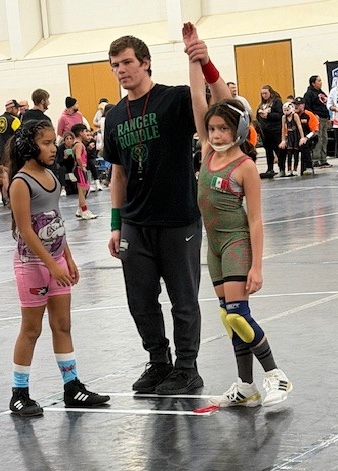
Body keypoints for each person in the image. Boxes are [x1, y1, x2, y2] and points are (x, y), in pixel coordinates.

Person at [104, 32, 229, 395]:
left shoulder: (174, 99)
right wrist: (115, 224)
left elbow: (225, 105)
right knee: (140, 300)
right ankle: (159, 362)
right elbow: (118, 174)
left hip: (178, 219)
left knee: (183, 300)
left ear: (145, 62)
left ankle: (187, 368)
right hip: (135, 223)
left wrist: (204, 62)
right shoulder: (114, 117)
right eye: (115, 65)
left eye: (127, 62)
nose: (121, 70)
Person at [183, 22, 292, 408]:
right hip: (213, 247)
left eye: (222, 129)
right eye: (211, 129)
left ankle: (275, 375)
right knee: (228, 317)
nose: (214, 134)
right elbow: (198, 98)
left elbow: (257, 220)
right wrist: (193, 56)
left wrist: (257, 267)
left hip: (236, 243)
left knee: (239, 316)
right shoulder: (207, 151)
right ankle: (245, 385)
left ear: (239, 130)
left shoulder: (245, 166)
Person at [6, 120, 110, 416]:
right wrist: (52, 264)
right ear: (30, 147)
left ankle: (72, 386)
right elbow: (26, 230)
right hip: (32, 265)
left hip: (56, 262)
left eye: (54, 142)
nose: (54, 148)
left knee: (62, 325)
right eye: (47, 143)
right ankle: (19, 393)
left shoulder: (51, 176)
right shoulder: (20, 182)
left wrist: (68, 257)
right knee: (31, 329)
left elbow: (56, 221)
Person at [255, 85, 284, 178]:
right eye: (262, 94)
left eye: (266, 93)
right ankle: (270, 168)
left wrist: (268, 115)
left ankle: (282, 168)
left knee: (278, 150)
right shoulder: (262, 104)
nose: (264, 95)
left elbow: (280, 115)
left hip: (275, 129)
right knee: (268, 150)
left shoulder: (276, 101)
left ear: (270, 93)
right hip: (265, 131)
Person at [303, 75, 331, 167]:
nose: (321, 82)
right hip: (317, 118)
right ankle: (315, 159)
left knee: (324, 139)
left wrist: (328, 116)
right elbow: (307, 107)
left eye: (321, 80)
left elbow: (325, 105)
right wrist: (314, 115)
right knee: (318, 139)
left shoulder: (321, 93)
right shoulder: (309, 94)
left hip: (324, 118)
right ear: (313, 83)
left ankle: (323, 159)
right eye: (318, 81)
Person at [71, 123, 97, 220]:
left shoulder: (78, 144)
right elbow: (78, 157)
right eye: (85, 131)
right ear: (80, 133)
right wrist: (82, 167)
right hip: (80, 169)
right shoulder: (79, 144)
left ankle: (80, 209)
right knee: (82, 191)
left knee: (85, 189)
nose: (87, 134)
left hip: (79, 168)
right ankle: (85, 211)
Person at [278, 101, 307, 177]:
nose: (286, 112)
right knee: (289, 153)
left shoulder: (295, 116)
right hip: (289, 136)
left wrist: (302, 137)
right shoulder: (284, 117)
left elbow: (299, 127)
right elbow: (283, 129)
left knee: (296, 153)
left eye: (287, 110)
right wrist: (283, 140)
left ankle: (295, 169)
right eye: (284, 110)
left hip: (296, 136)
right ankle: (289, 169)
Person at [293, 96, 319, 175]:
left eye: (299, 104)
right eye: (295, 104)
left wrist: (306, 138)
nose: (296, 106)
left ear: (303, 105)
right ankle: (284, 169)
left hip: (309, 137)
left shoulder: (309, 114)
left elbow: (315, 131)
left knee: (304, 144)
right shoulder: (291, 115)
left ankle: (308, 167)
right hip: (295, 137)